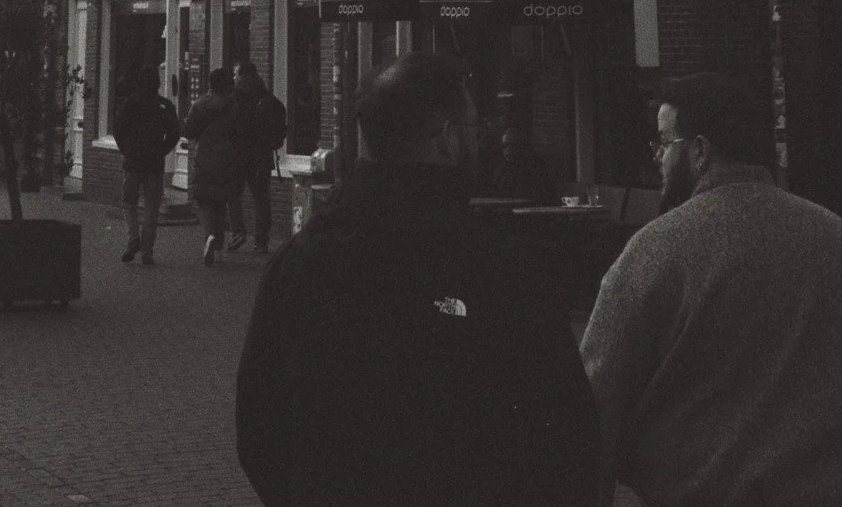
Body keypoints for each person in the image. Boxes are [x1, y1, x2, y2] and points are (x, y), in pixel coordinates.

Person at [236, 52, 597, 506]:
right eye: (473, 130)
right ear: (446, 140)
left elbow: (258, 424)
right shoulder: (495, 267)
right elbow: (565, 427)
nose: (479, 143)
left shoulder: (298, 263)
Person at [582, 71, 842, 507]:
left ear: (699, 151)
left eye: (664, 145)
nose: (658, 160)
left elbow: (594, 412)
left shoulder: (654, 255)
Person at [113, 62, 181, 265]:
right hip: (154, 164)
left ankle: (133, 237)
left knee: (128, 202)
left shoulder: (130, 103)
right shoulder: (164, 105)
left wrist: (127, 150)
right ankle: (147, 252)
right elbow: (174, 134)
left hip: (133, 162)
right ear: (157, 83)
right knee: (152, 208)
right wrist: (162, 149)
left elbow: (118, 129)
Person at [184, 66, 245, 264]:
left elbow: (189, 131)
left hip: (205, 157)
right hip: (228, 158)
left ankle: (209, 236)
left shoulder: (200, 105)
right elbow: (241, 134)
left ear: (210, 83)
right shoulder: (234, 107)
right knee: (221, 200)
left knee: (203, 200)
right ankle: (217, 246)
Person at [231, 61, 288, 252]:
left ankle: (238, 231)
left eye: (235, 74)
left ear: (241, 76)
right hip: (262, 155)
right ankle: (261, 241)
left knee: (233, 193)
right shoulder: (266, 96)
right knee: (261, 198)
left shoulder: (236, 97)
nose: (234, 77)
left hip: (240, 154)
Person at [486, 125, 561, 206]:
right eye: (504, 146)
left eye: (511, 145)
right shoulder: (501, 170)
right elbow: (493, 193)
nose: (507, 150)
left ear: (520, 146)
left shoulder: (534, 168)